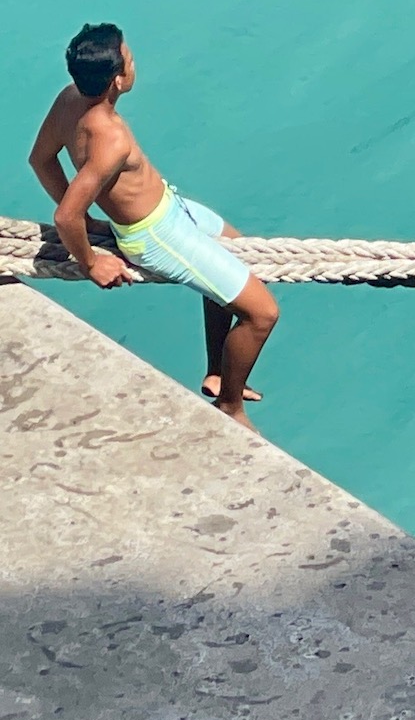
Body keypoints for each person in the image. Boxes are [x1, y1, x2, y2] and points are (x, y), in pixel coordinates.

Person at [26, 24, 279, 428]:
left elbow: (41, 159)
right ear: (118, 79)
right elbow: (65, 216)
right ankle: (230, 405)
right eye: (130, 58)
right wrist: (91, 263)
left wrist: (89, 220)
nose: (134, 61)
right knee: (262, 314)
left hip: (170, 208)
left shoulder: (68, 100)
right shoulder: (109, 138)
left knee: (234, 249)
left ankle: (217, 372)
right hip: (158, 236)